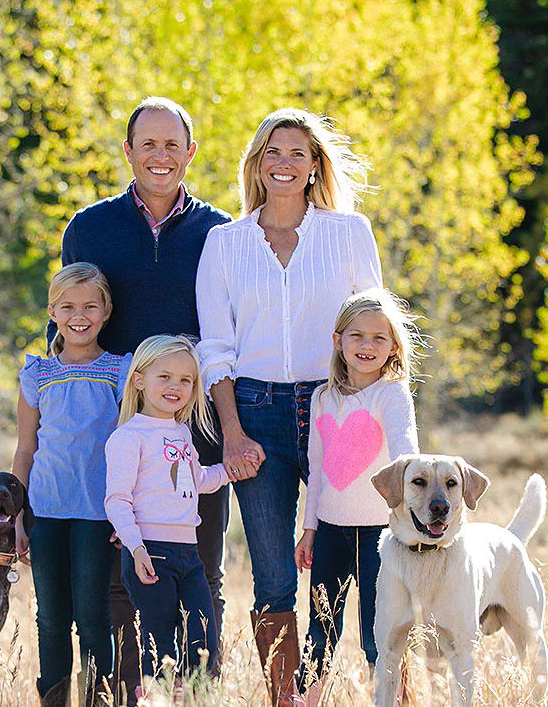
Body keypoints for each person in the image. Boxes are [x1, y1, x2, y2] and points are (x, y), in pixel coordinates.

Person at [195, 108, 384, 704]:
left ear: (313, 167)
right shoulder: (223, 243)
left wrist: (378, 415)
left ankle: (387, 688)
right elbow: (215, 348)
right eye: (273, 151)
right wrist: (231, 431)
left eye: (297, 153)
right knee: (275, 578)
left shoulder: (349, 232)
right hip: (253, 413)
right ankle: (289, 700)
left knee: (362, 561)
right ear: (257, 161)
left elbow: (374, 329)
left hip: (338, 408)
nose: (283, 162)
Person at [57, 97, 233, 698]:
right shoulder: (90, 228)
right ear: (127, 151)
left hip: (196, 429)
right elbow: (68, 326)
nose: (161, 156)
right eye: (147, 144)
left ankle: (197, 693)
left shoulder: (220, 233)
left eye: (172, 144)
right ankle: (124, 693)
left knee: (203, 573)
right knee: (119, 580)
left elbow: (232, 333)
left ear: (191, 153)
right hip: (119, 432)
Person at [293, 288, 422, 704]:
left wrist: (415, 498)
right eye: (356, 336)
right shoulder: (322, 398)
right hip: (330, 532)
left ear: (393, 347)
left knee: (377, 634)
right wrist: (309, 529)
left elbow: (406, 449)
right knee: (319, 633)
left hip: (380, 535)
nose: (367, 346)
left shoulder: (392, 394)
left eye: (378, 338)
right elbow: (316, 471)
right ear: (338, 341)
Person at [14, 263, 131, 705]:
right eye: (67, 306)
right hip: (45, 510)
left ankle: (101, 699)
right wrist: (19, 515)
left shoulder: (121, 371)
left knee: (93, 616)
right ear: (52, 312)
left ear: (106, 312)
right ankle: (55, 698)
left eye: (89, 306)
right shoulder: (37, 375)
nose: (78, 315)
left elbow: (130, 446)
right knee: (51, 618)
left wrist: (128, 512)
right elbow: (25, 449)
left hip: (97, 514)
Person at [103, 335, 237, 700]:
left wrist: (234, 469)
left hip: (189, 555)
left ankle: (196, 699)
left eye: (185, 380)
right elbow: (116, 501)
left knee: (202, 639)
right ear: (139, 379)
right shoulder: (128, 437)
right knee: (159, 644)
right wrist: (136, 547)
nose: (175, 386)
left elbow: (198, 480)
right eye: (165, 377)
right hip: (150, 553)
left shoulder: (181, 432)